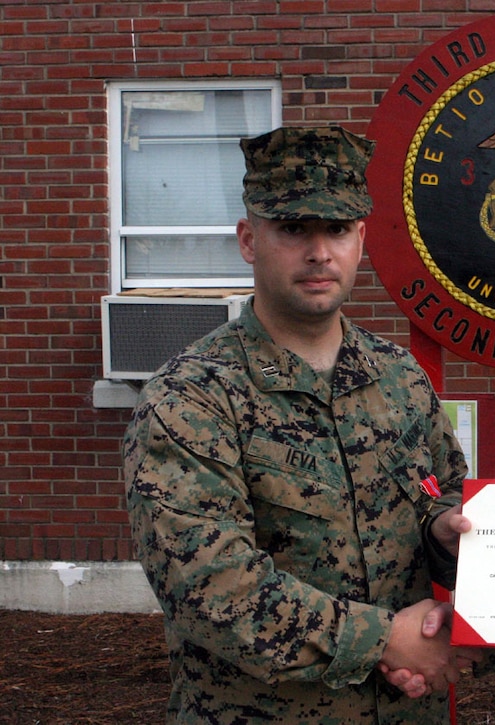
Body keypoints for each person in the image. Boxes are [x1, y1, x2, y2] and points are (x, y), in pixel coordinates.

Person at [124, 126, 474, 724]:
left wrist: (445, 532)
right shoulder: (192, 397)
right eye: (293, 230)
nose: (319, 253)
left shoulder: (400, 378)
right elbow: (209, 585)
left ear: (360, 238)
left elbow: (435, 495)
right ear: (247, 240)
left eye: (336, 230)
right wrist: (386, 639)